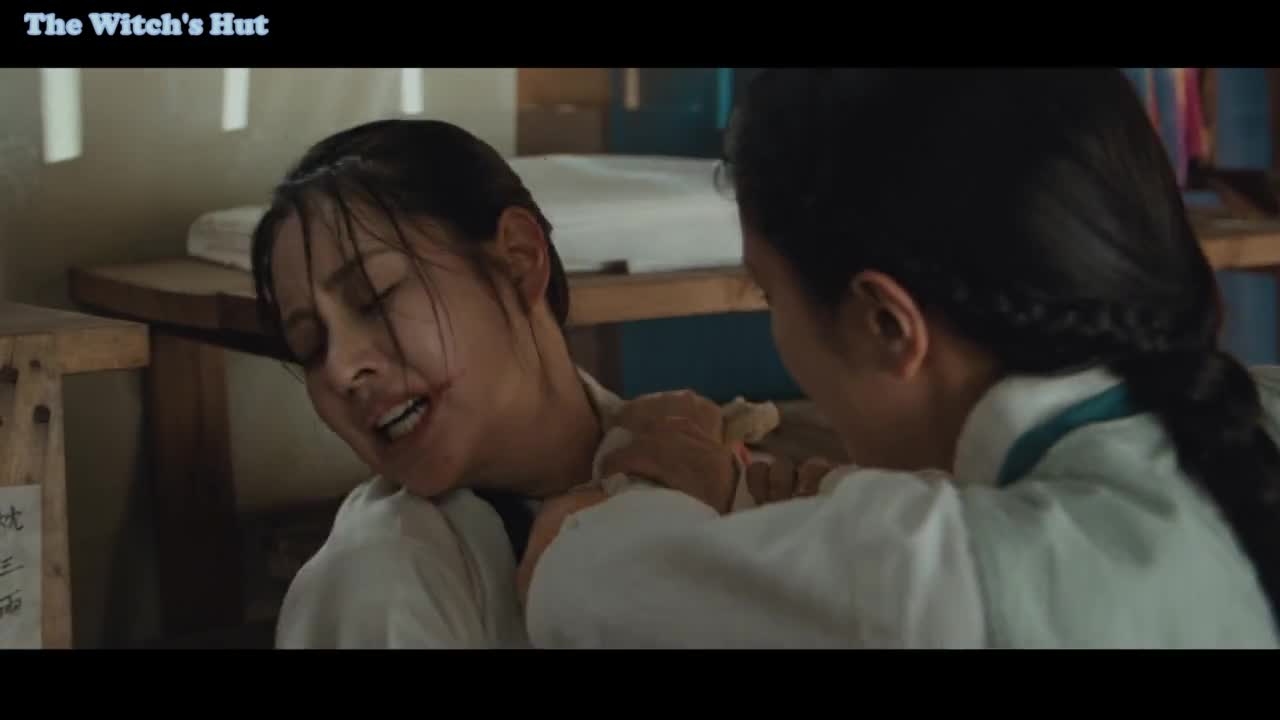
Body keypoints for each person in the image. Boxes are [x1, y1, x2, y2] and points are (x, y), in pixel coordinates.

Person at [518, 68, 1280, 648]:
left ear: (885, 323)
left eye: (768, 295)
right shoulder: (1241, 424)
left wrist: (660, 480)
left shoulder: (929, 578)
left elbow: (576, 572)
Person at [250, 119, 801, 648]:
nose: (341, 369)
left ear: (517, 259)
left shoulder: (712, 472)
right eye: (310, 347)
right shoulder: (380, 582)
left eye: (374, 299)